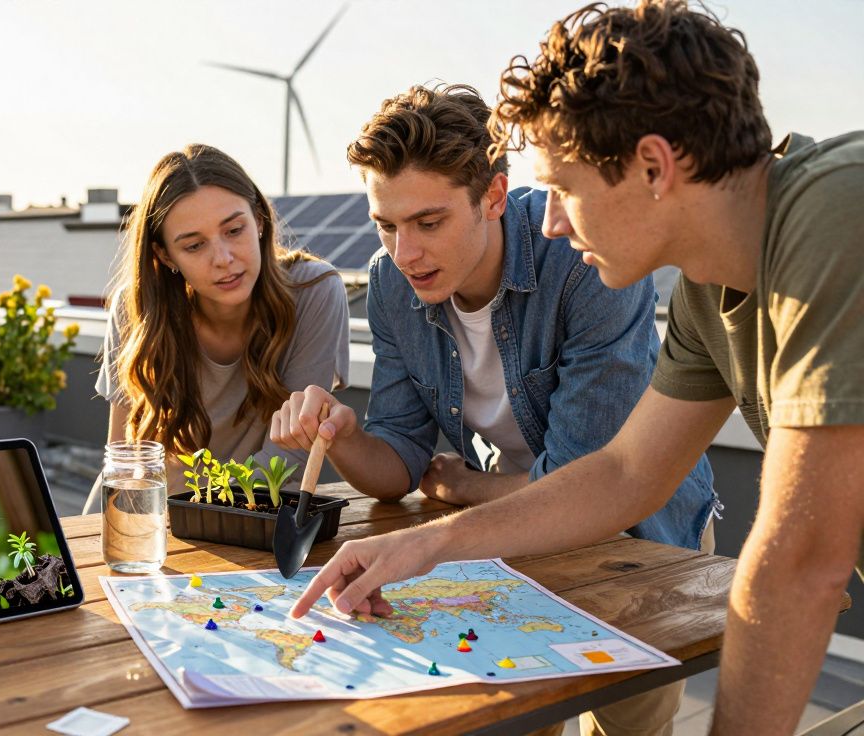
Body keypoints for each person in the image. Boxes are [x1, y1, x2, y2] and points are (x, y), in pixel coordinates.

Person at [287, 3, 864, 734]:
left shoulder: (838, 211)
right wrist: (424, 543)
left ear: (653, 166)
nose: (551, 220)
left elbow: (801, 561)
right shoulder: (704, 293)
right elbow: (624, 474)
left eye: (563, 189)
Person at [271, 82, 716, 736]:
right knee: (516, 722)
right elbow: (398, 458)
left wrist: (471, 487)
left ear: (494, 197)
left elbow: (589, 480)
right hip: (505, 536)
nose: (405, 253)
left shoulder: (581, 258)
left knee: (626, 730)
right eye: (386, 224)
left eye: (429, 222)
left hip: (638, 537)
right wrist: (340, 436)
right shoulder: (392, 283)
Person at [93, 143, 349, 495]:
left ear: (259, 219)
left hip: (245, 518)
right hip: (146, 518)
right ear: (165, 255)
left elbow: (293, 453)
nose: (224, 258)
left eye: (233, 230)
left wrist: (202, 511)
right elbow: (125, 456)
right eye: (194, 246)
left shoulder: (314, 291)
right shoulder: (134, 306)